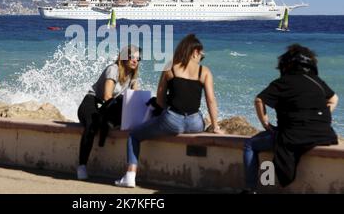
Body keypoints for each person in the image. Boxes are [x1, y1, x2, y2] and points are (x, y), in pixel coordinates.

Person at [115, 34, 223, 188]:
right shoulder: (204, 71)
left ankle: (130, 176)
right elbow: (211, 100)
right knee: (200, 117)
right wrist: (215, 126)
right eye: (202, 55)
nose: (202, 58)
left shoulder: (170, 67)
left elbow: (160, 99)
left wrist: (169, 114)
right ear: (195, 52)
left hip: (172, 121)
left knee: (133, 135)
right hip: (195, 124)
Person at [242, 44, 339, 193]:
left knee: (249, 144)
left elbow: (259, 100)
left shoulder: (283, 82)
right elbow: (334, 99)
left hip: (293, 136)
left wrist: (266, 123)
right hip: (323, 135)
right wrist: (321, 116)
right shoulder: (316, 81)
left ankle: (250, 189)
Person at [77, 45, 141, 180]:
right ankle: (82, 165)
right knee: (92, 125)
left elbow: (136, 98)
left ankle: (108, 123)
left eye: (138, 58)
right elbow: (107, 96)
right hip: (92, 102)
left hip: (106, 108)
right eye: (131, 57)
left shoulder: (132, 76)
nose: (135, 61)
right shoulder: (114, 69)